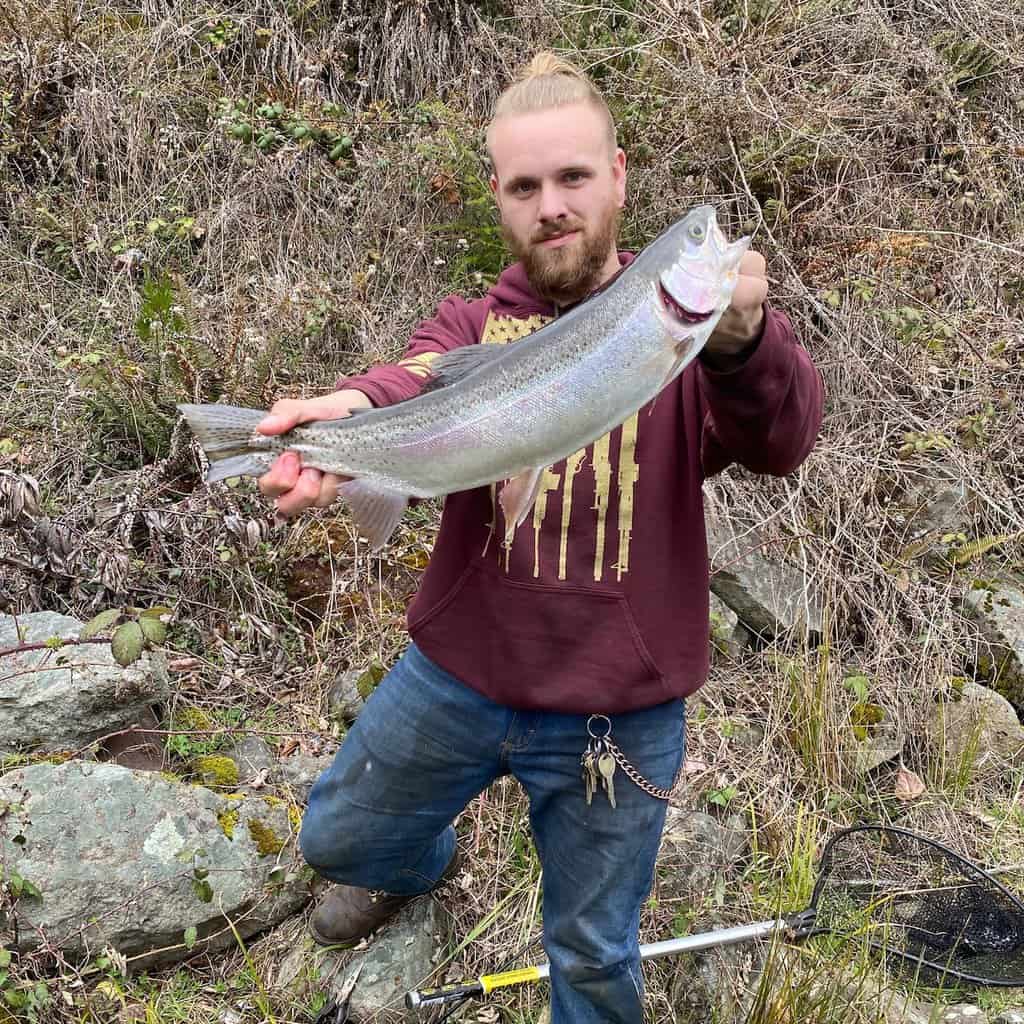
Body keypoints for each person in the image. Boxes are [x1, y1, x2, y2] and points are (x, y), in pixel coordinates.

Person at [257, 52, 823, 1024]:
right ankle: (421, 863)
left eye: (572, 177)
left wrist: (744, 342)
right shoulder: (474, 322)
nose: (551, 204)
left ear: (617, 176)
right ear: (498, 199)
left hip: (619, 708)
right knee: (338, 839)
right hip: (458, 674)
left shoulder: (686, 338)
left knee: (594, 958)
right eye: (525, 186)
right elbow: (411, 376)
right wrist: (345, 414)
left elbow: (780, 439)